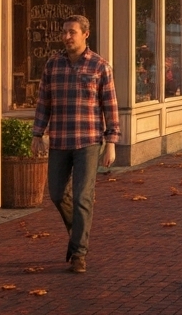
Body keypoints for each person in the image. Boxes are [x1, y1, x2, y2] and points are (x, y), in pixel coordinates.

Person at [31, 15, 118, 274]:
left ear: (85, 34)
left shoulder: (100, 66)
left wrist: (111, 142)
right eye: (64, 32)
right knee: (57, 194)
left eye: (72, 32)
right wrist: (37, 134)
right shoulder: (53, 65)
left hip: (88, 141)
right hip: (59, 140)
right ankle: (76, 233)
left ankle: (79, 253)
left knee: (83, 196)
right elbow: (43, 102)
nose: (67, 37)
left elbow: (110, 107)